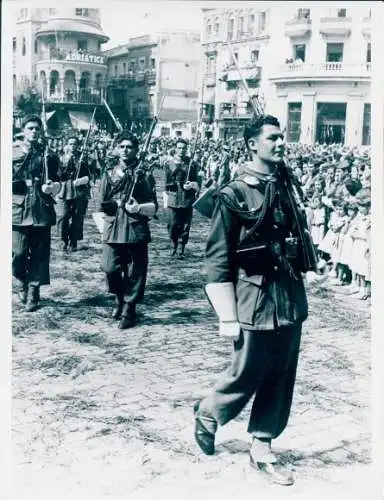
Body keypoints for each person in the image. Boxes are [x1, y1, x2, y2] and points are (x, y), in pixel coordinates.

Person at [193, 115, 322, 486]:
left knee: (282, 372)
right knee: (248, 368)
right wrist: (226, 314)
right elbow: (218, 256)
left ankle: (262, 444)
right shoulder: (234, 193)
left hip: (288, 294)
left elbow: (296, 233)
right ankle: (209, 411)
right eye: (273, 138)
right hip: (254, 295)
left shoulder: (284, 184)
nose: (281, 143)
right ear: (252, 144)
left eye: (283, 137)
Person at [99, 132, 156, 329]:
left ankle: (130, 308)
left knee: (136, 271)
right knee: (109, 267)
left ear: (136, 150)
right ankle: (118, 297)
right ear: (116, 149)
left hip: (135, 227)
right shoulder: (108, 173)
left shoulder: (144, 174)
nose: (125, 150)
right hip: (114, 227)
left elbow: (154, 206)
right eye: (121, 146)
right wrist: (114, 204)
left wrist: (138, 207)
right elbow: (101, 203)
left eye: (129, 147)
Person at [12, 115, 60, 311]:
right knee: (18, 252)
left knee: (39, 254)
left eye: (37, 129)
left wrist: (52, 187)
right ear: (23, 130)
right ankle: (20, 280)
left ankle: (34, 290)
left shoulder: (48, 155)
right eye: (30, 128)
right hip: (18, 208)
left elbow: (57, 180)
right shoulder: (11, 152)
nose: (34, 132)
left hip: (41, 208)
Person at [163, 138, 200, 257]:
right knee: (172, 224)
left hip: (187, 198)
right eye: (179, 148)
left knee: (185, 224)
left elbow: (197, 181)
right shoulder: (169, 164)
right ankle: (173, 242)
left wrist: (192, 185)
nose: (182, 150)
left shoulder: (192, 164)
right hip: (173, 197)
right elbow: (166, 183)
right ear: (175, 149)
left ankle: (181, 247)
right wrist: (173, 186)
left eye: (184, 148)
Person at [56, 136, 93, 252]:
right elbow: (57, 174)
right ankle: (63, 239)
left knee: (78, 216)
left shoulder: (83, 158)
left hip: (79, 190)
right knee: (63, 215)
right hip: (64, 189)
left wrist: (84, 178)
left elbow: (91, 174)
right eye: (70, 144)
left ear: (78, 146)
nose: (72, 146)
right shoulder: (60, 158)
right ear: (66, 144)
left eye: (75, 144)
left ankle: (74, 241)